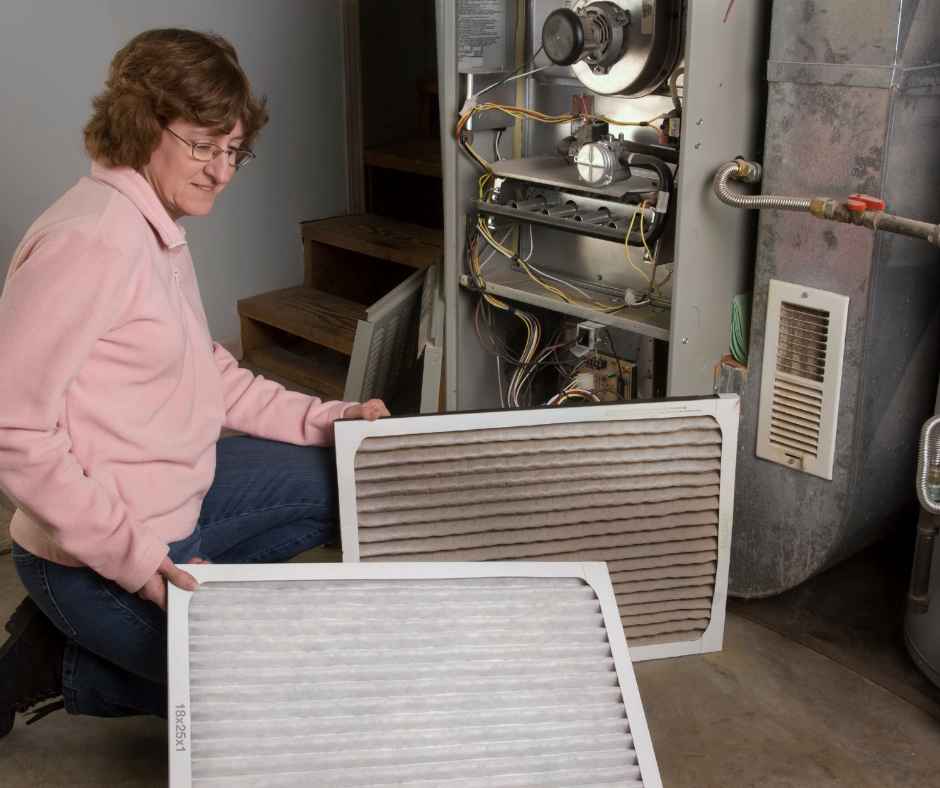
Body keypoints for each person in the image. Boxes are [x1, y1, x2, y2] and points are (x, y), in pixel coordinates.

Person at [0, 28, 389, 736]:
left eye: (233, 150)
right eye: (204, 146)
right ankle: (59, 663)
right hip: (104, 553)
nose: (222, 170)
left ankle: (183, 613)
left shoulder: (153, 227)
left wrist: (332, 420)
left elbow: (210, 374)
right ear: (142, 124)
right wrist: (138, 562)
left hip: (182, 496)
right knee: (274, 704)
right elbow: (14, 430)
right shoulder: (88, 242)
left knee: (343, 479)